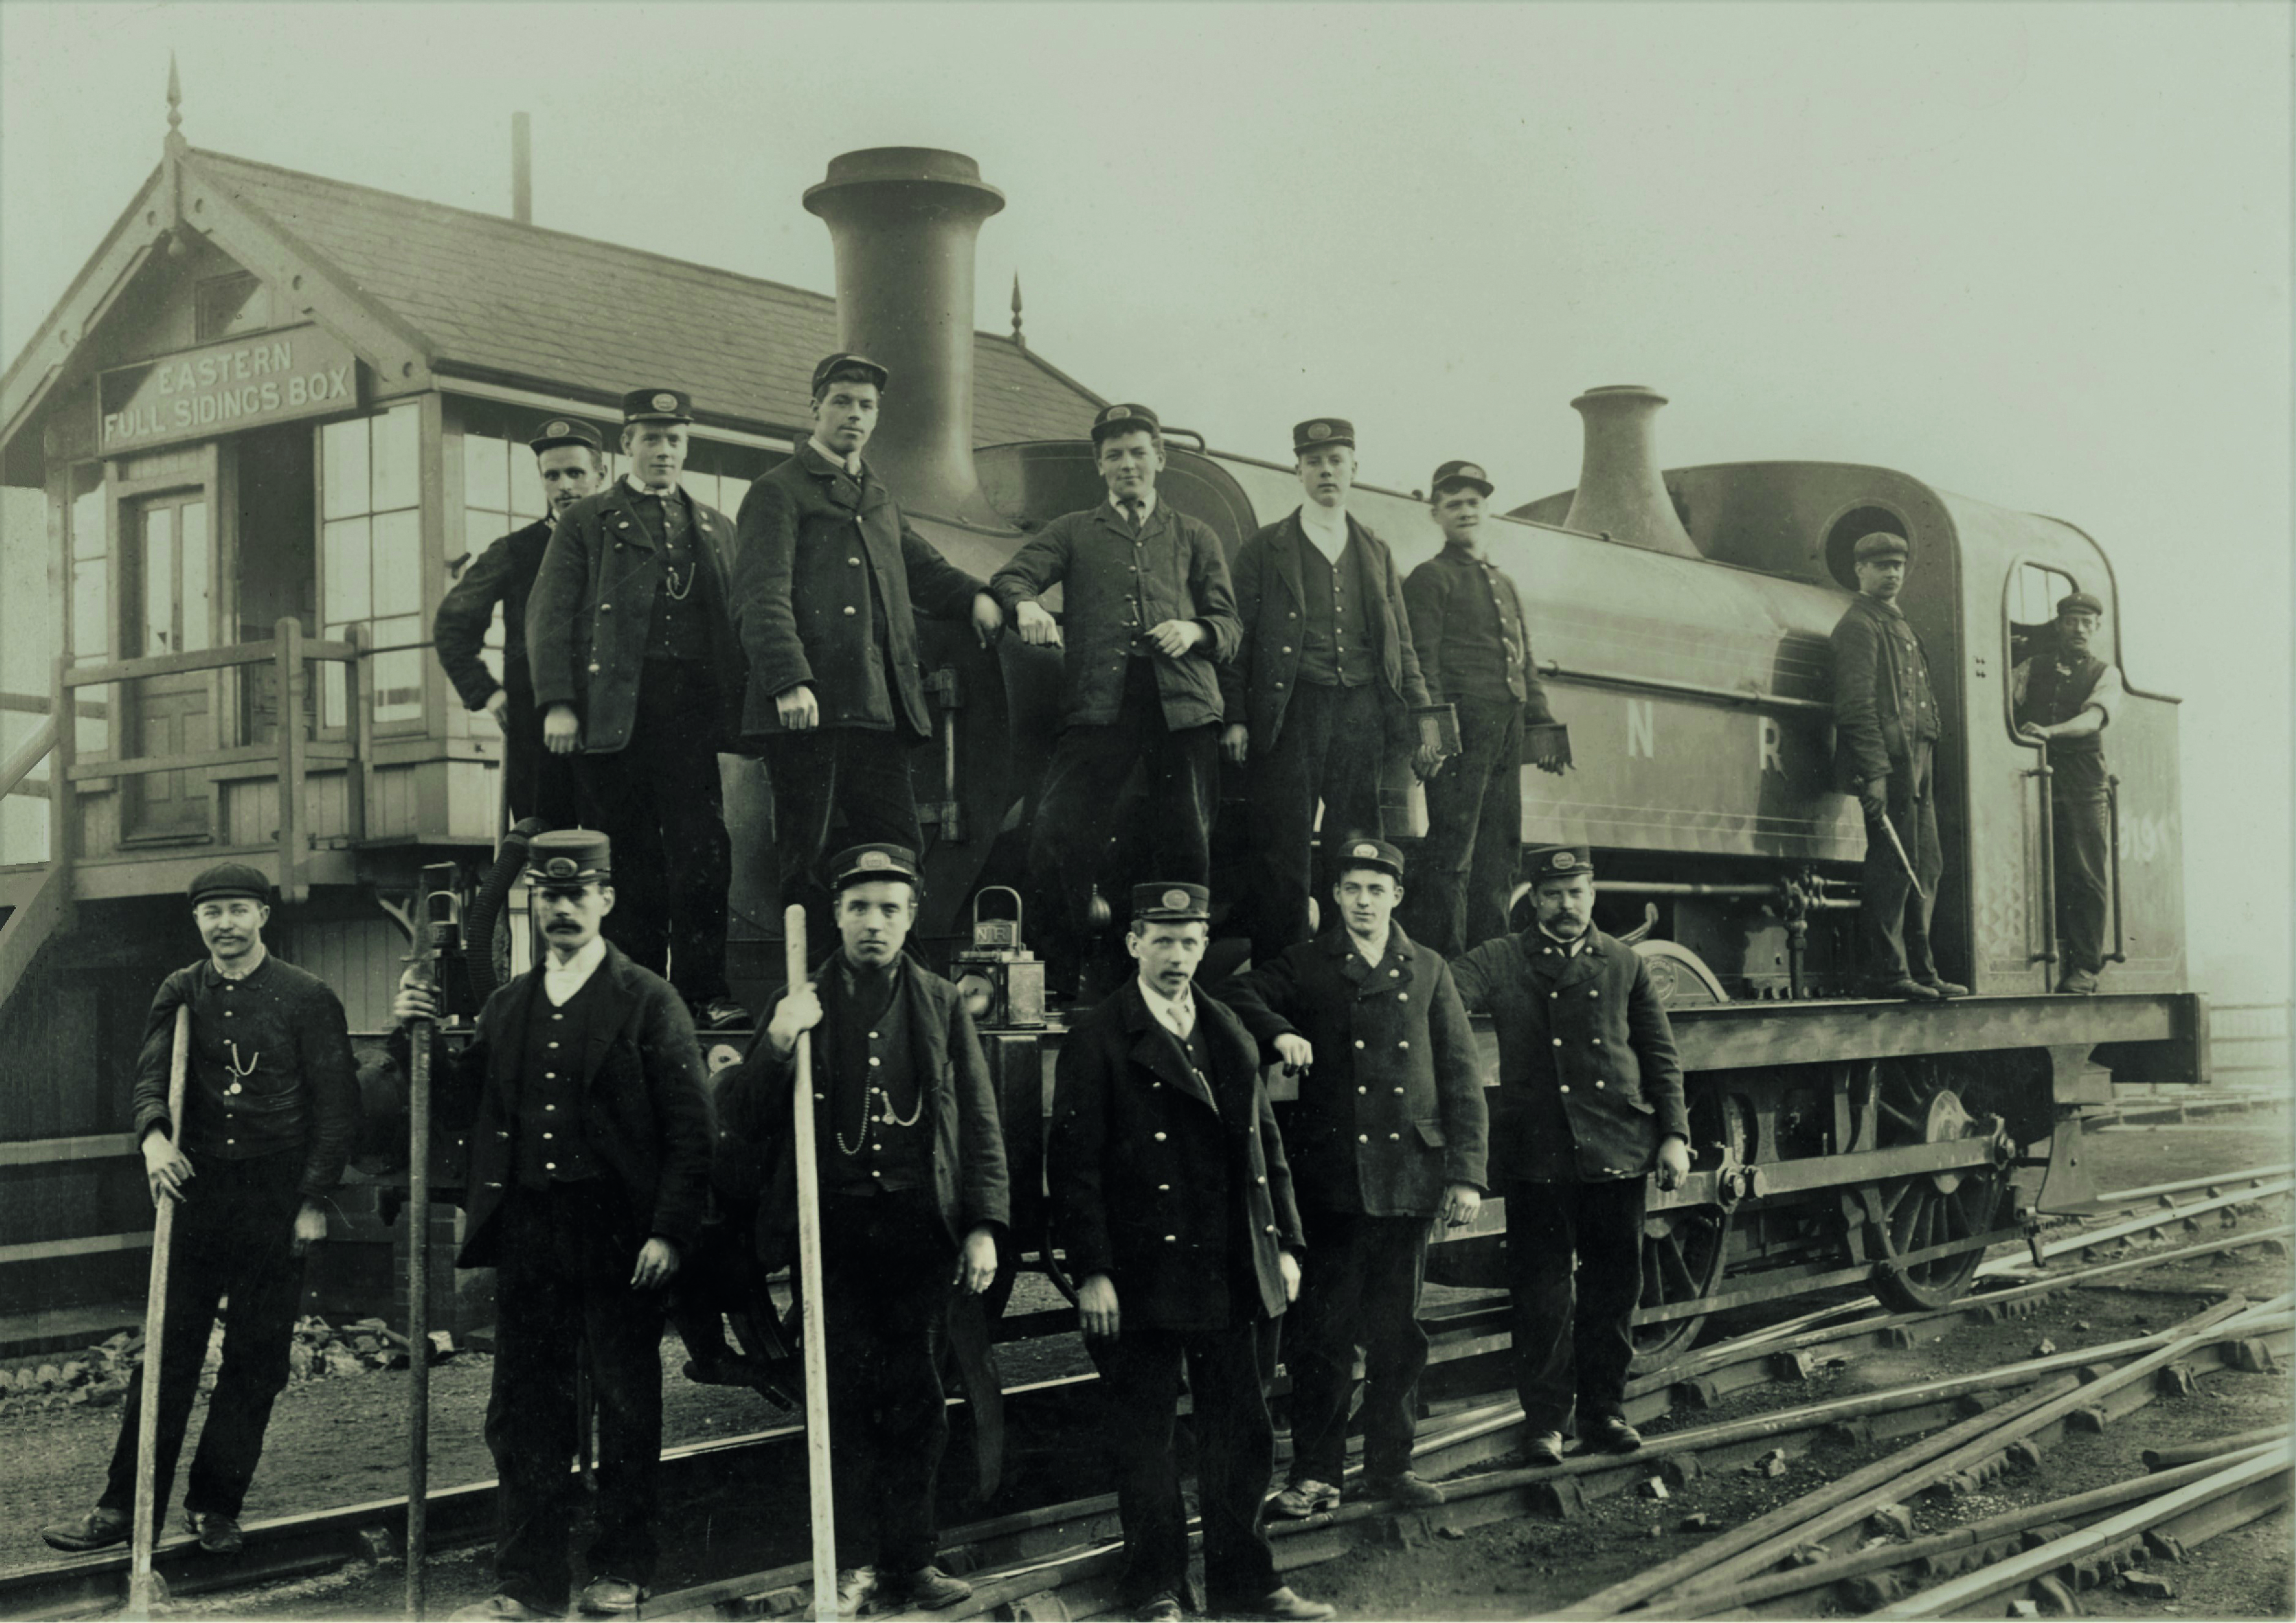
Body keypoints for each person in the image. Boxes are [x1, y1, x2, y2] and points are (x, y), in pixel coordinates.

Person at [390, 832, 713, 1621]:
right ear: (534, 904)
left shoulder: (648, 1000)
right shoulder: (508, 1005)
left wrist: (669, 1232)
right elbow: (462, 1102)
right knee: (524, 1411)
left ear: (606, 899)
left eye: (578, 894)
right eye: (548, 895)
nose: (562, 909)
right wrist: (413, 1033)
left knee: (625, 1405)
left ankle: (623, 1568)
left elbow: (692, 1129)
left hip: (619, 1235)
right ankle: (526, 1584)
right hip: (531, 1231)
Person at [714, 843, 1009, 1616]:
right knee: (840, 1397)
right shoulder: (799, 997)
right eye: (858, 907)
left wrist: (982, 1225)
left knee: (917, 1396)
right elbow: (742, 1116)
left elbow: (978, 1122)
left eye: (889, 908)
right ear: (837, 917)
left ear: (911, 917)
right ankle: (844, 1565)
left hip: (918, 1225)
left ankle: (909, 1562)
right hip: (833, 1228)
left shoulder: (942, 1002)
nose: (872, 922)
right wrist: (779, 1039)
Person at [41, 864, 356, 1558]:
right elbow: (151, 1072)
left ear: (262, 916)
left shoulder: (307, 996)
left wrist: (311, 1200)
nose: (225, 924)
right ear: (198, 921)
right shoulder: (181, 988)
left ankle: (216, 1502)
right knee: (167, 1352)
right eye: (211, 912)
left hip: (275, 1198)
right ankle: (123, 1504)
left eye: (238, 909)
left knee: (256, 1358)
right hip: (195, 1193)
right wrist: (153, 1138)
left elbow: (337, 1107)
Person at [1048, 883, 1332, 1623]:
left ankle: (1249, 1581)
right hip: (1141, 1275)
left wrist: (1289, 1244)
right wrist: (1094, 1272)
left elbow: (1266, 1147)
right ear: (1133, 943)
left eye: (1190, 940)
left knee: (1242, 1432)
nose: (1177, 955)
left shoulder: (1228, 1027)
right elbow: (1073, 1168)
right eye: (1162, 939)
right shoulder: (1099, 1034)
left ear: (1206, 946)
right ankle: (1157, 1588)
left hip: (1232, 1266)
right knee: (1145, 1436)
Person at [1220, 837, 1488, 1517]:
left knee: (1399, 1333)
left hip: (1407, 1180)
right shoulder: (1309, 963)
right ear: (1334, 898)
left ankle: (1390, 1466)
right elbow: (1234, 992)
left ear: (1397, 895)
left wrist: (1467, 1175)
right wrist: (1279, 1031)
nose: (1363, 901)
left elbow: (1462, 1077)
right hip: (1333, 1184)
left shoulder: (1428, 968)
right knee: (1323, 1336)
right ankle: (1315, 1474)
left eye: (1376, 889)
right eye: (1351, 889)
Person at [731, 354, 1003, 942]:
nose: (854, 415)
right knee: (809, 855)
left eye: (866, 406)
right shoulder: (777, 492)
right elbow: (759, 595)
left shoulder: (877, 495)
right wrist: (787, 680)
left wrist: (978, 597)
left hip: (879, 712)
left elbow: (924, 570)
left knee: (898, 849)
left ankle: (883, 990)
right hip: (811, 710)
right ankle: (811, 993)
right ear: (815, 409)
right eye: (842, 402)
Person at [1448, 845, 1691, 1465]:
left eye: (1576, 891)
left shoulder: (1623, 962)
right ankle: (1546, 1423)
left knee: (1613, 1290)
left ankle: (1605, 1412)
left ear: (1592, 892)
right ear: (1533, 899)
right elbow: (1441, 994)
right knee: (1541, 1296)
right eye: (1552, 894)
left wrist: (1674, 1135)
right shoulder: (1500, 959)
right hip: (1538, 1156)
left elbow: (1659, 1056)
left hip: (1616, 1147)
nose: (1565, 905)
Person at [992, 404, 1241, 997]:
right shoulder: (1074, 530)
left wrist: (1194, 631)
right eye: (1113, 456)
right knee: (1056, 834)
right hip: (1098, 708)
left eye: (1136, 452)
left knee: (1185, 842)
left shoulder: (1194, 535)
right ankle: (1062, 976)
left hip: (1182, 709)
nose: (1126, 464)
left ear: (1159, 457)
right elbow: (1012, 577)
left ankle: (1177, 983)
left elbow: (1229, 625)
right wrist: (1025, 605)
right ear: (1098, 465)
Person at [527, 387, 748, 1029]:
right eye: (650, 438)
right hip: (612, 720)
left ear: (687, 446)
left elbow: (739, 619)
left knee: (704, 854)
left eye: (674, 439)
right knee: (628, 865)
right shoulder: (585, 521)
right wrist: (559, 704)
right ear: (626, 445)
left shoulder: (715, 525)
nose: (663, 450)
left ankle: (707, 993)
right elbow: (549, 616)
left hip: (692, 719)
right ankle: (636, 997)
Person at [1221, 418, 1437, 966]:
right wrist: (1237, 717)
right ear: (1297, 470)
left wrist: (1421, 720)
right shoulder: (1263, 549)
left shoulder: (1376, 550)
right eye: (1314, 461)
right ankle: (1284, 970)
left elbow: (1401, 644)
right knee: (1283, 847)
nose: (1326, 471)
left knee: (1357, 843)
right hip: (1290, 711)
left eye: (1336, 460)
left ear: (1353, 470)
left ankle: (1353, 963)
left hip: (1361, 711)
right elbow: (1236, 642)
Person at [1400, 460, 1570, 954]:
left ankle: (1490, 962)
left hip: (1507, 728)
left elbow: (1525, 663)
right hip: (1461, 732)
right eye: (1453, 504)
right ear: (1436, 514)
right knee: (1453, 850)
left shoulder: (1503, 582)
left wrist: (1544, 727)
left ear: (1486, 510)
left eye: (1474, 503)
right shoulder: (1430, 578)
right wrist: (1432, 737)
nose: (1465, 512)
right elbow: (1421, 664)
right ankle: (1450, 965)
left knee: (1500, 853)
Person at [432, 417, 605, 827]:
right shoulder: (515, 551)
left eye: (576, 473)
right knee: (546, 847)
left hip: (611, 721)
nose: (564, 486)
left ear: (600, 475)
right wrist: (488, 694)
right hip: (538, 727)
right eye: (553, 475)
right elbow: (452, 626)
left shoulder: (623, 546)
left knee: (618, 850)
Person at [1828, 531, 1966, 1001]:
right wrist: (1876, 772)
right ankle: (1887, 972)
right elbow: (1855, 708)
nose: (1891, 573)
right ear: (1859, 571)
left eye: (1897, 566)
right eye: (1880, 565)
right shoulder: (1858, 626)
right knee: (1893, 867)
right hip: (1891, 765)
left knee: (1924, 865)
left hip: (1917, 758)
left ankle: (1923, 972)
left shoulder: (1897, 624)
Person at [2013, 590, 2126, 994]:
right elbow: (2007, 707)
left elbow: (2093, 720)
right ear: (2059, 625)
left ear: (2095, 629)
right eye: (2071, 621)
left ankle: (2086, 968)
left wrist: (2048, 732)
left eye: (2086, 623)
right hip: (2032, 774)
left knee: (2085, 872)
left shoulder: (2105, 674)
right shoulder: (2030, 667)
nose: (2078, 629)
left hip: (2082, 780)